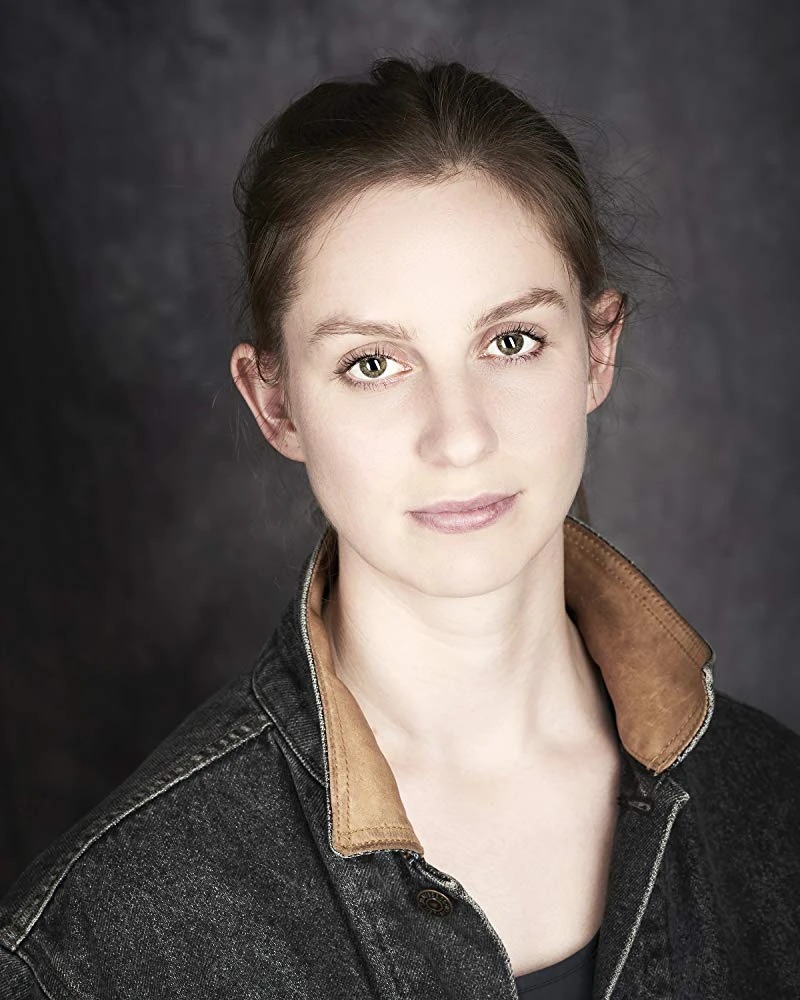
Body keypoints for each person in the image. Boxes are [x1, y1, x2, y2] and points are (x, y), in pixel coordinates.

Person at [1, 56, 799, 1000]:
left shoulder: (773, 809)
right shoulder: (89, 949)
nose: (458, 437)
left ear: (598, 352)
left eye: (511, 341)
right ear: (275, 403)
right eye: (373, 363)